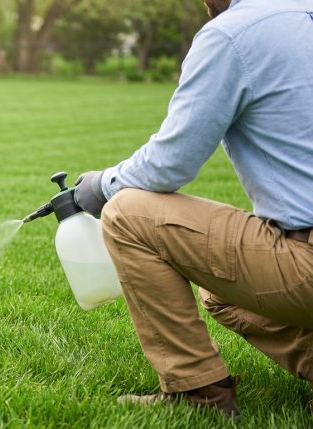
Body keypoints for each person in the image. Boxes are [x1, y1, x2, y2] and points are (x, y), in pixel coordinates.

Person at [72, 0, 313, 418]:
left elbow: (170, 164)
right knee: (220, 291)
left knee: (128, 213)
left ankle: (199, 394)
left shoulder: (233, 34)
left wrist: (99, 185)